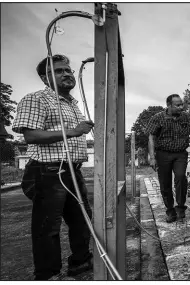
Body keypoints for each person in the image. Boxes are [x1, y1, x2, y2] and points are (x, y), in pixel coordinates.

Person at [12, 54, 94, 280]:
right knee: (48, 226)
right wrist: (75, 131)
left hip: (71, 169)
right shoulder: (37, 99)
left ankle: (80, 262)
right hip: (47, 170)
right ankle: (48, 275)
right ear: (44, 78)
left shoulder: (72, 104)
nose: (66, 74)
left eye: (67, 70)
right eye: (58, 71)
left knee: (81, 220)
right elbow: (30, 135)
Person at [145, 94, 190, 223]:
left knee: (181, 177)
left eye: (182, 104)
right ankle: (170, 211)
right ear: (169, 105)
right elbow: (151, 136)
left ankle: (181, 207)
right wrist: (152, 157)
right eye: (177, 105)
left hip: (180, 153)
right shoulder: (158, 117)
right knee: (165, 184)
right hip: (163, 154)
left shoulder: (185, 116)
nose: (181, 107)